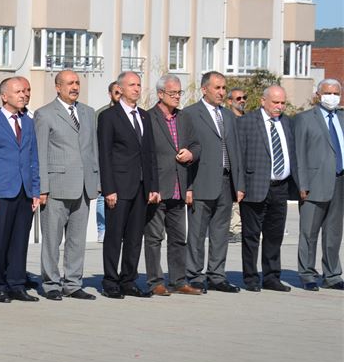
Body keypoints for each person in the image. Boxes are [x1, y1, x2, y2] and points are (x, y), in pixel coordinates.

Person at [35, 70, 99, 301]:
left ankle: (72, 283)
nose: (75, 87)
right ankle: (51, 283)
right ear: (58, 87)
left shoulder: (88, 112)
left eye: (77, 83)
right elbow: (40, 153)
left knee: (77, 240)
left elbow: (93, 149)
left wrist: (96, 181)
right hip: (56, 187)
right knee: (52, 240)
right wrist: (42, 187)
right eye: (70, 83)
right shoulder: (44, 114)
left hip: (84, 186)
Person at [96, 71, 160, 299]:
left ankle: (128, 280)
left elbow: (150, 153)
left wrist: (153, 186)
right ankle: (110, 281)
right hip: (119, 187)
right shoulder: (109, 116)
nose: (136, 89)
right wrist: (109, 188)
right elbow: (104, 155)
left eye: (139, 85)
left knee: (134, 237)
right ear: (120, 89)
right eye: (132, 85)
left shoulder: (144, 116)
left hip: (141, 187)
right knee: (114, 235)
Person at [182, 71, 244, 293]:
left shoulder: (228, 116)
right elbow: (186, 151)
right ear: (204, 89)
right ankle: (194, 275)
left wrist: (239, 184)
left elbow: (236, 150)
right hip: (200, 182)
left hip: (226, 182)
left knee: (220, 233)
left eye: (224, 88)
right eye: (217, 87)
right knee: (197, 233)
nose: (221, 92)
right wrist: (188, 187)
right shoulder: (190, 114)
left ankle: (217, 276)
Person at [0, 77, 40, 303]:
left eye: (26, 91)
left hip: (25, 190)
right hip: (2, 191)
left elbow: (34, 158)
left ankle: (17, 284)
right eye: (18, 92)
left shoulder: (28, 122)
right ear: (4, 96)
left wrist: (36, 190)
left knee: (20, 240)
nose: (24, 95)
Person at [143, 75, 201, 296]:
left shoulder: (184, 118)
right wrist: (151, 187)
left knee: (178, 238)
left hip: (179, 188)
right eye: (173, 93)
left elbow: (196, 145)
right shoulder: (148, 118)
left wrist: (191, 154)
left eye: (179, 92)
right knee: (154, 238)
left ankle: (178, 281)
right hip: (158, 188)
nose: (177, 97)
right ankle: (155, 282)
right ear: (160, 94)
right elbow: (146, 155)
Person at [237, 86, 296, 292]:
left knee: (274, 235)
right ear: (263, 101)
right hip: (254, 187)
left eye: (283, 103)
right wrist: (239, 186)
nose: (279, 107)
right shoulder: (246, 122)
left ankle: (271, 277)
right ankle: (251, 278)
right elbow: (239, 157)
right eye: (275, 102)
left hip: (280, 187)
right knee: (251, 235)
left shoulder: (287, 122)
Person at [294, 79, 344, 291]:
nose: (332, 97)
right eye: (328, 93)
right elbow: (299, 154)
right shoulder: (304, 119)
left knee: (334, 233)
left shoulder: (342, 117)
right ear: (318, 95)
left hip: (339, 182)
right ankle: (307, 274)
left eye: (336, 93)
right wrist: (302, 184)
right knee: (309, 232)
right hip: (313, 184)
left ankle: (332, 275)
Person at [95, 80, 122, 243]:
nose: (119, 95)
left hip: (121, 161)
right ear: (110, 94)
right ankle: (102, 229)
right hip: (103, 158)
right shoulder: (101, 113)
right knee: (102, 193)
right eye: (116, 92)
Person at [225, 88, 247, 242]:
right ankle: (234, 229)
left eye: (244, 97)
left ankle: (240, 227)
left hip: (246, 165)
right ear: (229, 101)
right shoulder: (227, 119)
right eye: (238, 98)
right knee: (233, 201)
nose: (242, 100)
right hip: (232, 166)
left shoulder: (248, 119)